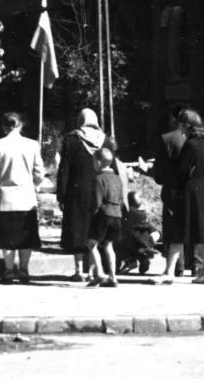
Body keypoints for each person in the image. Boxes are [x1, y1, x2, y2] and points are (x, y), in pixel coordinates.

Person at [160, 109, 204, 284]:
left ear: (186, 125)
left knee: (178, 232)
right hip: (203, 192)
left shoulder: (190, 145)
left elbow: (182, 171)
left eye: (180, 124)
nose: (178, 127)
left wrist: (172, 191)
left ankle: (169, 272)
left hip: (188, 192)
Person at [0, 112, 44, 284]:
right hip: (26, 198)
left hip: (4, 199)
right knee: (26, 237)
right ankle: (24, 270)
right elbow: (39, 173)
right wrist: (34, 184)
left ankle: (9, 271)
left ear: (4, 127)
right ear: (20, 125)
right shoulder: (32, 145)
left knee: (7, 238)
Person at [57, 108, 103, 281]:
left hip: (76, 193)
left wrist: (61, 195)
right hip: (99, 191)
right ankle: (91, 271)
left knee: (78, 230)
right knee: (94, 231)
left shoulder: (71, 140)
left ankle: (79, 271)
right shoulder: (105, 140)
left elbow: (64, 171)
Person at [150, 107, 189, 280]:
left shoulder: (168, 139)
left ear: (174, 119)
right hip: (193, 189)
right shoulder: (198, 139)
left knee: (173, 228)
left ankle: (177, 266)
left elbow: (159, 171)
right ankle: (195, 264)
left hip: (172, 190)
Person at [86, 148, 124, 287]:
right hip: (116, 215)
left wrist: (91, 214)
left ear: (98, 162)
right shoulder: (118, 179)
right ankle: (113, 277)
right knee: (109, 245)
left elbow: (97, 201)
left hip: (103, 214)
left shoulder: (98, 179)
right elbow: (121, 199)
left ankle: (100, 274)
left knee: (91, 244)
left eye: (93, 161)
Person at [116, 192, 158, 274]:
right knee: (153, 234)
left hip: (123, 243)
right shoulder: (140, 214)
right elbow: (148, 227)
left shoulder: (123, 213)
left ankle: (131, 261)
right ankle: (141, 258)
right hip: (139, 243)